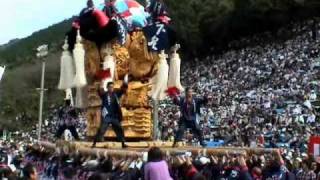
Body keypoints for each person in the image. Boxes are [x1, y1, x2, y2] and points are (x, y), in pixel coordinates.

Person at [92, 80, 128, 148]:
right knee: (101, 129)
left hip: (114, 116)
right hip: (107, 116)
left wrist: (125, 84)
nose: (111, 88)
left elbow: (122, 90)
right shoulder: (104, 94)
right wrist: (100, 85)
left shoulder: (116, 93)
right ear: (107, 88)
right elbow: (99, 91)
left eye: (112, 87)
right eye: (110, 87)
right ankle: (94, 143)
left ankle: (123, 143)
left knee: (119, 129)